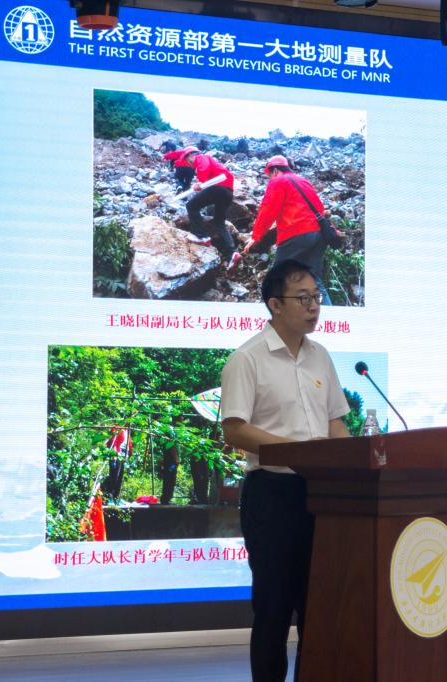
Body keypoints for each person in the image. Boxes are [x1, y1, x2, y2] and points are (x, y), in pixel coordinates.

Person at [220, 259, 351, 682]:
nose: (314, 306)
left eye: (317, 297)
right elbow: (234, 429)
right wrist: (297, 453)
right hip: (271, 496)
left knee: (319, 608)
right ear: (275, 304)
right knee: (274, 609)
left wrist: (356, 461)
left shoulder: (321, 357)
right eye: (303, 298)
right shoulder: (247, 359)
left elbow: (335, 423)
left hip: (321, 497)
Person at [245, 156, 332, 304]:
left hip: (296, 235)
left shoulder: (278, 181)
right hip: (319, 235)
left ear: (275, 170)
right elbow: (319, 208)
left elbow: (267, 211)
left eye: (269, 175)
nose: (269, 178)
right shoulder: (303, 181)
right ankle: (329, 314)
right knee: (314, 280)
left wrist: (256, 236)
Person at [183, 147, 239, 268]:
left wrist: (200, 182)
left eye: (187, 161)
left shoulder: (201, 157)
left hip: (218, 188)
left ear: (190, 155)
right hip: (228, 193)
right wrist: (202, 184)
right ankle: (233, 253)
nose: (189, 164)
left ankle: (201, 236)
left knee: (191, 206)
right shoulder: (213, 163)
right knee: (219, 222)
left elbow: (204, 167)